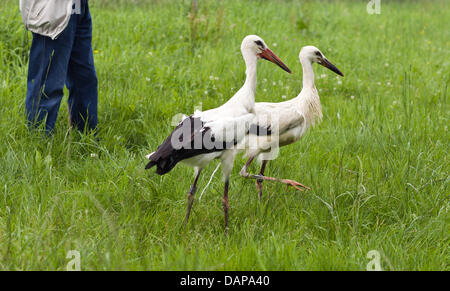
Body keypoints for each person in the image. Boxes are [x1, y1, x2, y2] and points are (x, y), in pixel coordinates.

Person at [20, 0, 98, 134]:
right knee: (48, 86)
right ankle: (38, 142)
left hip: (79, 7)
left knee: (85, 80)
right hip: (52, 10)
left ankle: (86, 137)